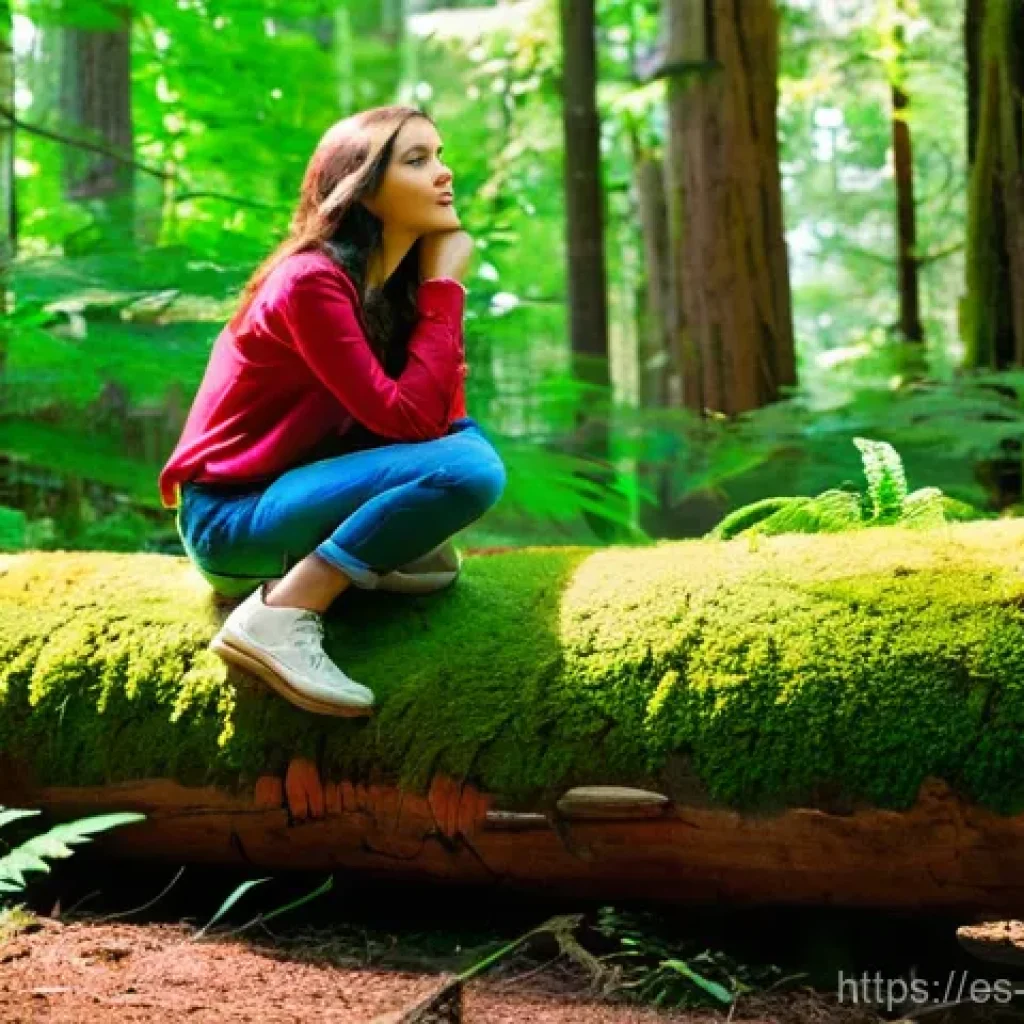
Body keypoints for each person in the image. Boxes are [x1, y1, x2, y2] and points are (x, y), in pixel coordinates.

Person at [158, 105, 508, 719]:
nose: (444, 174)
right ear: (363, 189)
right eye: (418, 160)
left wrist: (430, 304)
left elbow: (440, 419)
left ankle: (370, 558)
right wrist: (446, 290)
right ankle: (280, 615)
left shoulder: (388, 293)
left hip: (297, 500)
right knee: (472, 470)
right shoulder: (309, 282)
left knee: (466, 453)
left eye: (441, 155)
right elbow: (420, 428)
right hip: (233, 518)